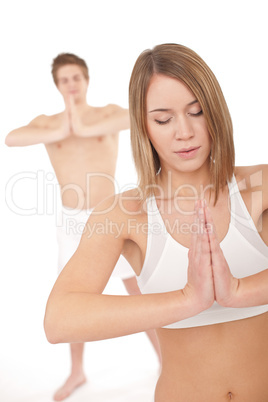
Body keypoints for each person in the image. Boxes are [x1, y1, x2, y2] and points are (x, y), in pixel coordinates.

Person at [44, 44, 268, 401]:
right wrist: (188, 299)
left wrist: (238, 291)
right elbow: (59, 320)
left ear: (216, 111)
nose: (184, 132)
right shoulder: (124, 214)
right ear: (143, 126)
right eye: (163, 119)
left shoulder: (260, 188)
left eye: (196, 112)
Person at [5, 53, 161, 401]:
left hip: (111, 217)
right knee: (72, 298)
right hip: (73, 223)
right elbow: (11, 139)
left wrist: (79, 125)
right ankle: (77, 371)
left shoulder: (105, 113)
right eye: (64, 80)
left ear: (86, 79)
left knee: (138, 290)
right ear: (57, 85)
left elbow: (133, 120)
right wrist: (63, 127)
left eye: (76, 77)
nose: (71, 85)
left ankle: (166, 359)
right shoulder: (47, 122)